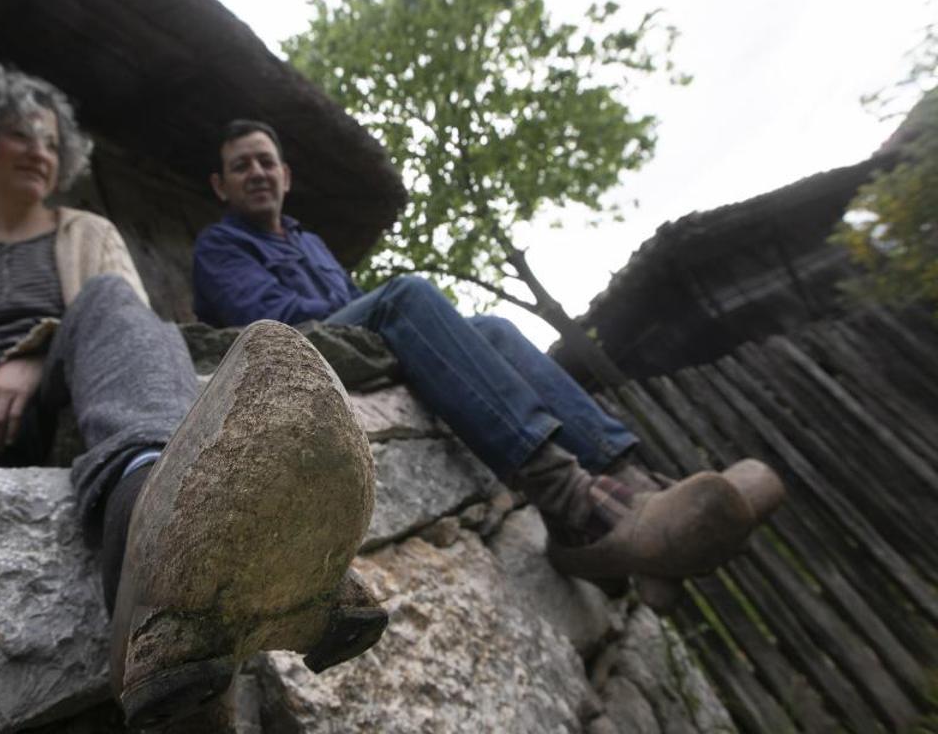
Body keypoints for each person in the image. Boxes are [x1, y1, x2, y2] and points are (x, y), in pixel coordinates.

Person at [0, 70, 380, 726]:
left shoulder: (88, 230)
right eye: (21, 135)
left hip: (66, 402)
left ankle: (151, 507)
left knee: (110, 295)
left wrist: (31, 359)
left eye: (51, 142)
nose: (39, 151)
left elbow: (125, 324)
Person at [193, 119, 785, 602]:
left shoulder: (310, 242)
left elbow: (353, 304)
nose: (257, 172)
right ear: (221, 186)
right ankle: (577, 501)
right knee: (406, 294)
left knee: (494, 330)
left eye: (266, 161)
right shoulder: (219, 246)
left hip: (357, 340)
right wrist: (378, 310)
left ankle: (633, 487)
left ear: (286, 174)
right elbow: (274, 320)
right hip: (297, 351)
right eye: (242, 166)